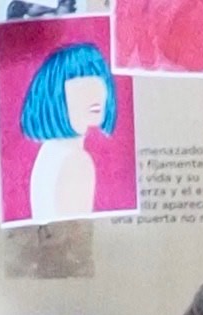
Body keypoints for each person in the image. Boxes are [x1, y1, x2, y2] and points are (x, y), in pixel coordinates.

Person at [16, 33, 124, 217]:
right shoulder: (76, 160)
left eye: (99, 81)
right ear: (55, 95)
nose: (95, 93)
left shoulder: (50, 151)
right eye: (81, 85)